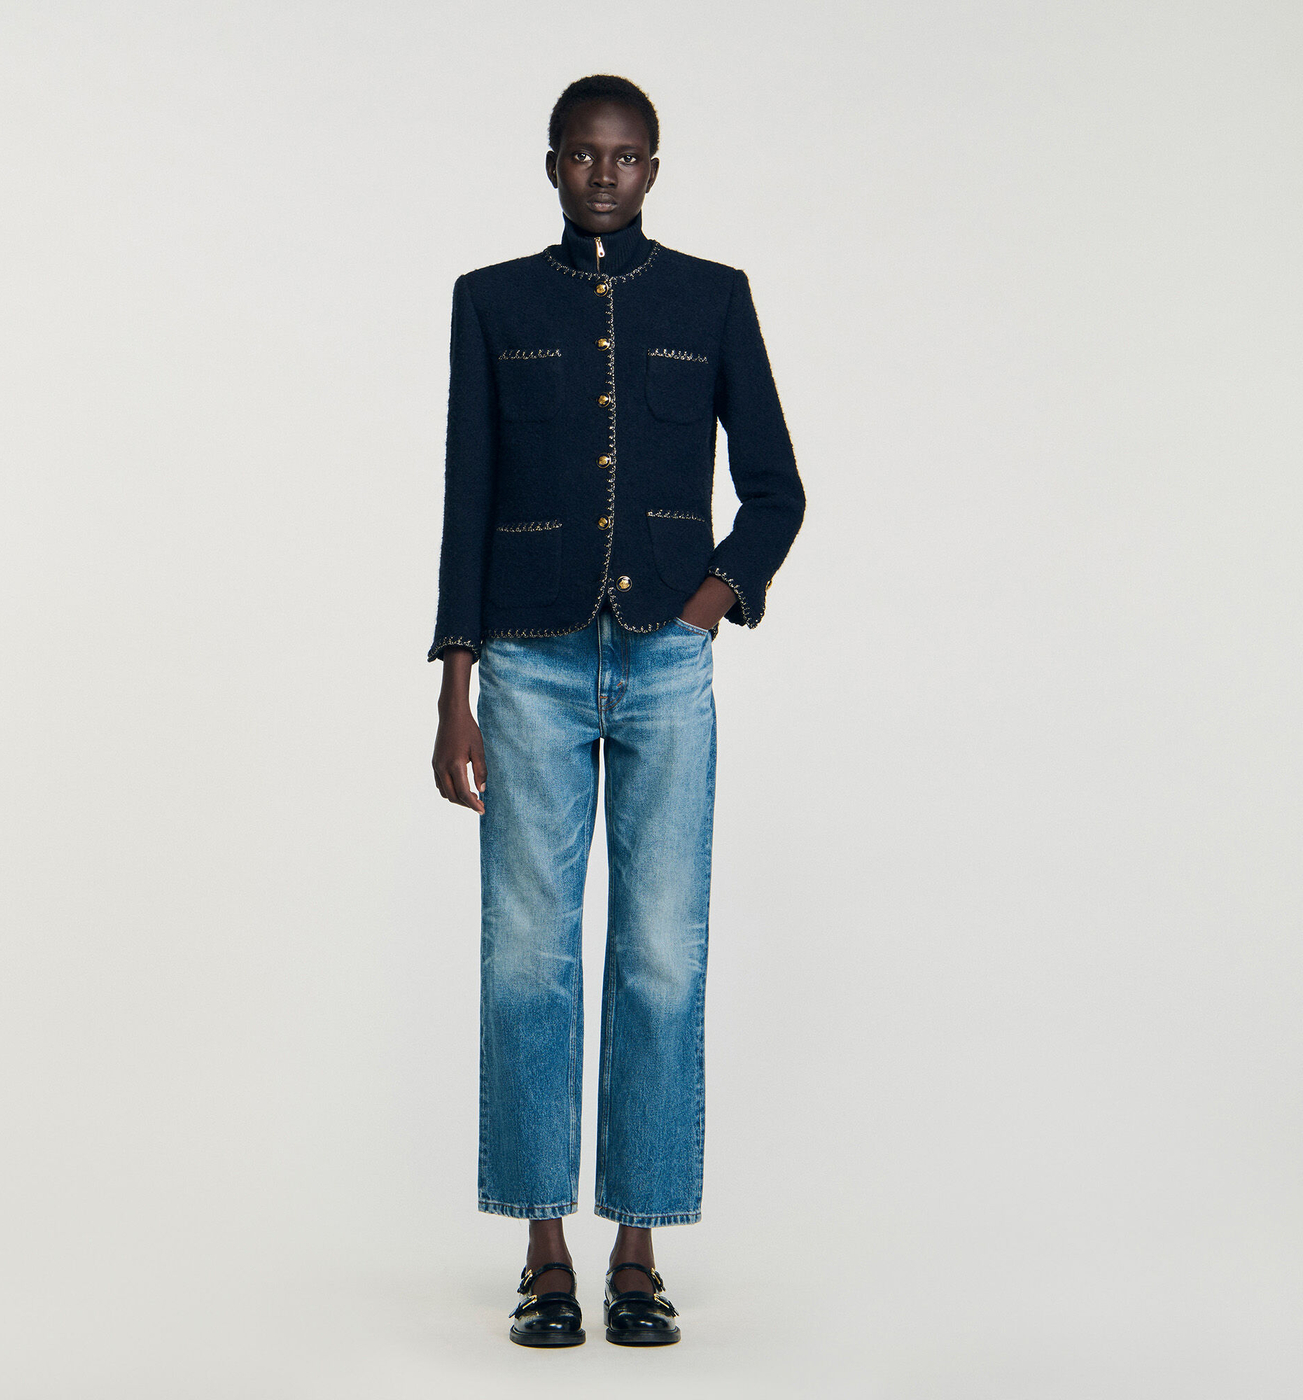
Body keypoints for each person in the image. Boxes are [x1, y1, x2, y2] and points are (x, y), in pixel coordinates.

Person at [428, 74, 804, 1348]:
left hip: (666, 667)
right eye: (583, 154)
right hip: (526, 665)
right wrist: (454, 685)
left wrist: (706, 606)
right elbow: (466, 495)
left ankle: (636, 1247)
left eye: (627, 155)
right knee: (525, 954)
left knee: (659, 955)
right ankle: (544, 1247)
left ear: (653, 168)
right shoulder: (491, 301)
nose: (604, 173)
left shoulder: (710, 298)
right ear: (551, 163)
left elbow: (775, 489)